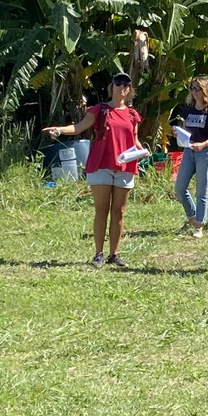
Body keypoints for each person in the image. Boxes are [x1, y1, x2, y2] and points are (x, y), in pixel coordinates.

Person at [44, 72, 143, 269]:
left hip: (125, 166)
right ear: (111, 87)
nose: (122, 87)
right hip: (101, 164)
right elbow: (79, 127)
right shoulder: (100, 110)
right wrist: (60, 130)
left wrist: (142, 152)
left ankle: (114, 254)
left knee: (119, 211)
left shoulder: (132, 114)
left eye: (126, 84)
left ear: (129, 90)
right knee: (101, 209)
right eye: (118, 83)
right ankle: (98, 253)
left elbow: (134, 140)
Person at [173, 76, 208, 238]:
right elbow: (187, 131)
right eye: (192, 89)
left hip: (205, 152)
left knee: (201, 190)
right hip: (189, 151)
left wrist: (204, 144)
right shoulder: (189, 109)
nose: (194, 92)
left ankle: (199, 225)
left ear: (205, 90)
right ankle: (193, 216)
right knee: (180, 188)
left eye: (197, 89)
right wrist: (178, 134)